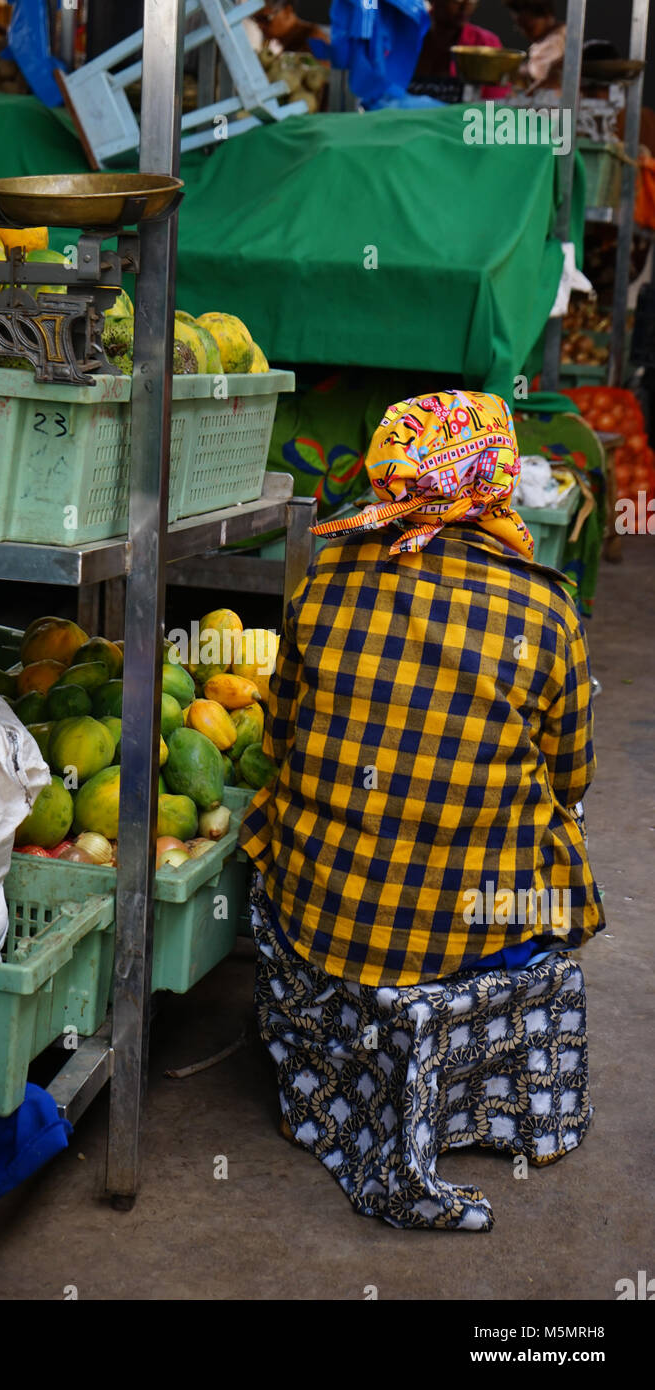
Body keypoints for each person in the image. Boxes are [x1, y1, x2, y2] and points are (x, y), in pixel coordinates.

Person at [240, 389, 604, 1230]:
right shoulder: (546, 609)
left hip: (321, 922)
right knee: (554, 840)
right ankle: (477, 1082)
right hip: (471, 930)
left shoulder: (326, 574)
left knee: (281, 811)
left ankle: (342, 1052)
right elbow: (572, 777)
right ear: (497, 478)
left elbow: (282, 732)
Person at [415, 0, 511, 99]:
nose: (465, 6)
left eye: (472, 0)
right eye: (457, 0)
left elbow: (496, 104)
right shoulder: (405, 34)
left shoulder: (485, 45)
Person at [506, 0, 565, 92]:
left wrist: (513, 71)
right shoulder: (549, 38)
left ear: (547, 16)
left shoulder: (555, 41)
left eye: (529, 27)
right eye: (520, 28)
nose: (524, 33)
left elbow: (539, 73)